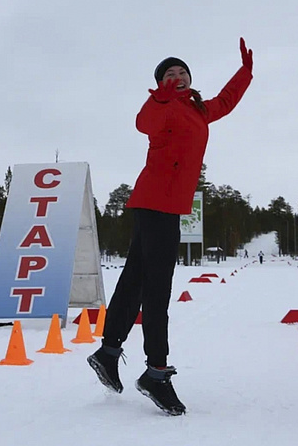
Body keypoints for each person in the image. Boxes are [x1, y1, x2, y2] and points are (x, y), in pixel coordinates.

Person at [87, 38, 254, 416]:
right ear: (161, 82)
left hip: (162, 206)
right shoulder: (162, 108)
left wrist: (245, 72)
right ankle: (156, 372)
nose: (176, 76)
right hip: (156, 203)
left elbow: (225, 101)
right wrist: (159, 96)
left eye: (181, 72)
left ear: (190, 78)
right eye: (168, 73)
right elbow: (142, 122)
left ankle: (109, 351)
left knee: (135, 280)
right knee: (157, 289)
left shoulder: (197, 109)